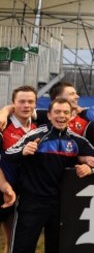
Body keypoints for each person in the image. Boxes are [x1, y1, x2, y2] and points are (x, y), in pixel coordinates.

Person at [5, 97, 94, 253]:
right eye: (57, 112)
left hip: (59, 204)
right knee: (21, 248)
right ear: (49, 115)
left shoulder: (76, 140)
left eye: (66, 112)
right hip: (31, 203)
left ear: (71, 116)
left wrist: (89, 168)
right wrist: (23, 151)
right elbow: (8, 154)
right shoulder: (37, 134)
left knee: (56, 248)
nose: (62, 116)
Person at [0, 86, 36, 253]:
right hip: (2, 187)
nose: (26, 105)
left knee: (13, 239)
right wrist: (4, 185)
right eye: (22, 101)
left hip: (24, 192)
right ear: (13, 104)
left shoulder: (38, 125)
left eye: (30, 102)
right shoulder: (3, 126)